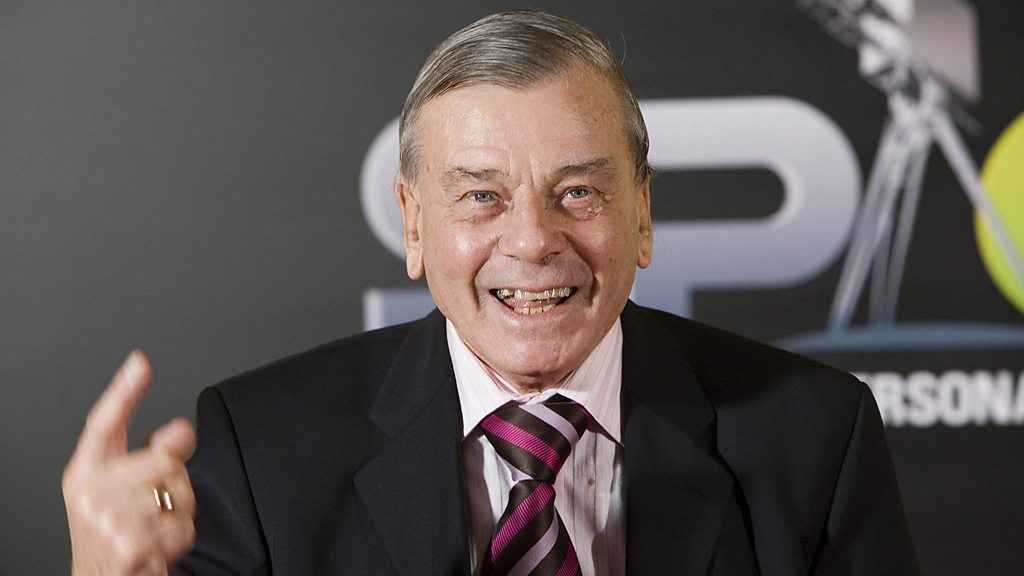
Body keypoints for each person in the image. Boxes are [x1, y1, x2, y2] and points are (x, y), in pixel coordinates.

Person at [62, 10, 920, 576]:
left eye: (578, 192)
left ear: (642, 214)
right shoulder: (261, 452)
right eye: (482, 195)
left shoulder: (816, 437)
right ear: (413, 225)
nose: (533, 239)